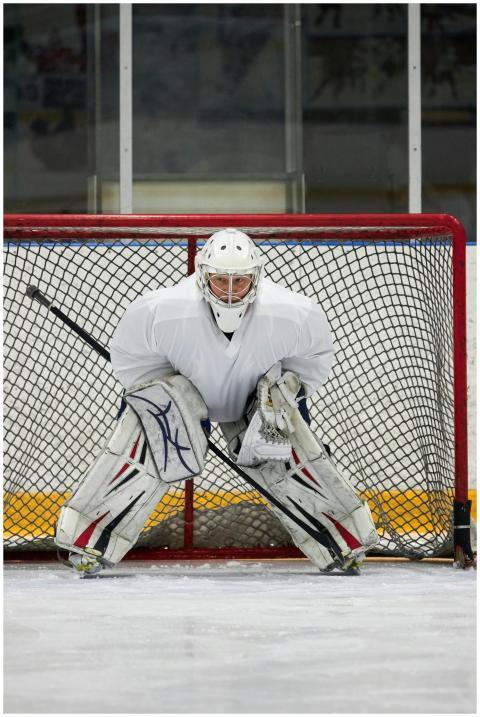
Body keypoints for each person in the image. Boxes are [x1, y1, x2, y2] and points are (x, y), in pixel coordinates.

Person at [55, 228, 378, 575]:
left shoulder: (293, 313)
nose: (228, 290)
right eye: (219, 280)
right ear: (201, 275)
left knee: (290, 456)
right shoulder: (160, 310)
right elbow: (135, 368)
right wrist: (178, 403)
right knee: (144, 440)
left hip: (258, 395)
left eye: (238, 281)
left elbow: (310, 366)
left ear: (256, 278)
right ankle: (88, 542)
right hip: (184, 396)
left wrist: (278, 394)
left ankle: (343, 543)